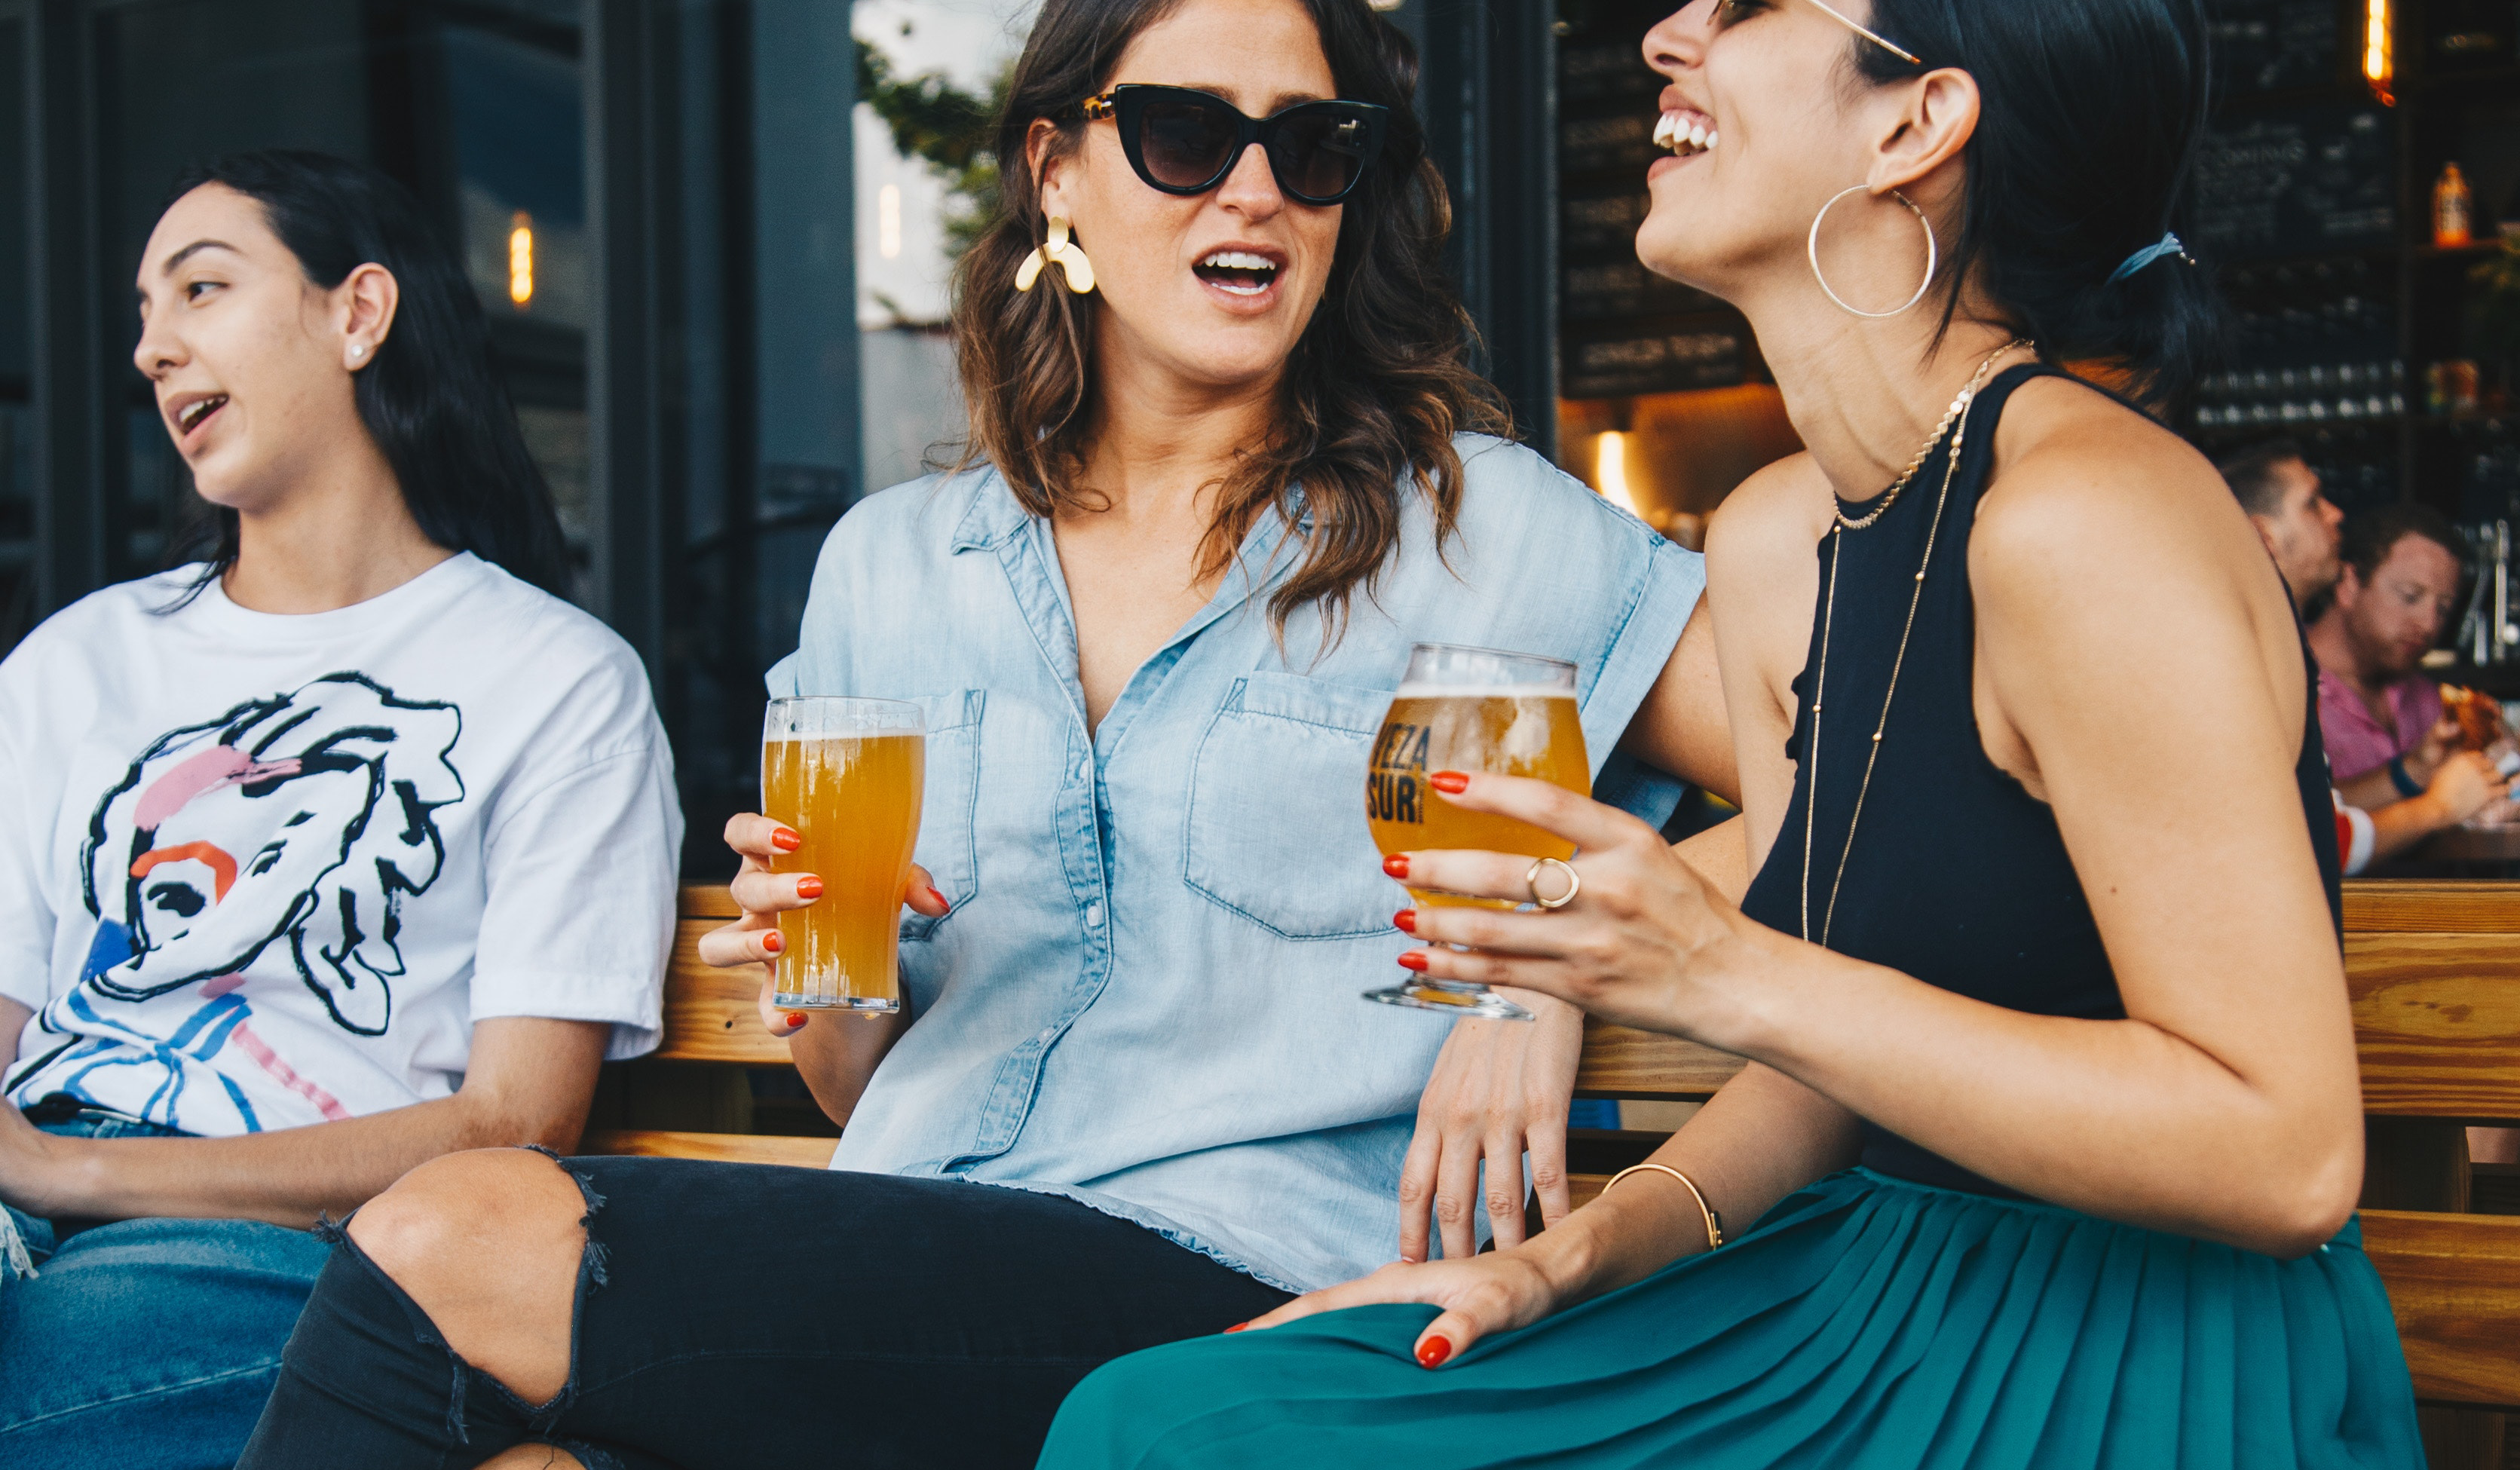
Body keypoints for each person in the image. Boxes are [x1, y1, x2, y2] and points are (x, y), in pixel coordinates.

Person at [234, 3, 1743, 1465]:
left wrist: (1537, 966)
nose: (1258, 190)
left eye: (1312, 146)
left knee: (455, 1229)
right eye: (1182, 134)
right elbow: (849, 1080)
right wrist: (830, 965)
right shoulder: (889, 566)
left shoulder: (1471, 527)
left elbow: (1860, 798)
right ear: (1054, 173)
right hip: (918, 1241)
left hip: (1254, 1282)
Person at [1040, 1, 2425, 1465]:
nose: (1666, 34)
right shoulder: (1777, 539)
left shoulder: (2087, 519)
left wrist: (1724, 968)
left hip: (2134, 1351)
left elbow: (2285, 1152)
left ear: (1915, 126)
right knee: (1163, 1423)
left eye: (1750, 4)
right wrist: (1559, 1261)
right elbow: (1836, 1068)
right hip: (1859, 1298)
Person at [0, 152, 681, 1470]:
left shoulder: (554, 683)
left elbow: (515, 1122)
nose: (153, 348)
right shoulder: (77, 662)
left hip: (287, 1250)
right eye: (144, 313)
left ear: (358, 314)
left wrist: (65, 1173)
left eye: (201, 288)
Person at [2221, 440, 2508, 867]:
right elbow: (2315, 840)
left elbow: (2317, 808)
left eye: (2444, 608)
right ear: (2265, 537)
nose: (2337, 514)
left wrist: (2423, 769)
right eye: (2313, 504)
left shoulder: (2284, 654)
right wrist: (2439, 807)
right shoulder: (2247, 660)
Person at [2310, 502, 2474, 800]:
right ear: (2349, 584)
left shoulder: (2426, 699)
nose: (2428, 624)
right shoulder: (2287, 683)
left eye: (2443, 609)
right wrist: (2410, 774)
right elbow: (2297, 815)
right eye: (2410, 597)